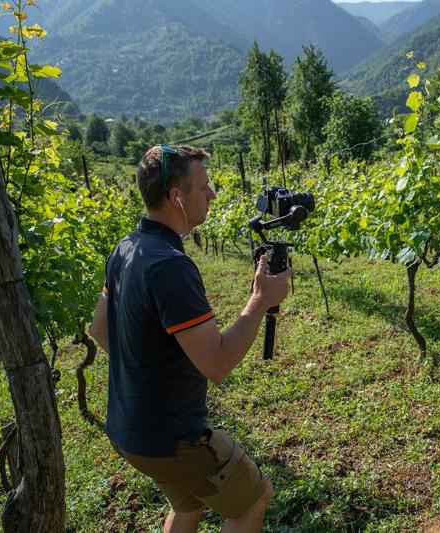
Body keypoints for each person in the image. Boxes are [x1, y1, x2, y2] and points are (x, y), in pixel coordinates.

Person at [89, 144, 291, 533]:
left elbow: (100, 330)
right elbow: (217, 364)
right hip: (172, 438)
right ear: (176, 198)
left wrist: (151, 373)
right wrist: (260, 300)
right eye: (204, 187)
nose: (213, 194)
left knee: (189, 504)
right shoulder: (170, 266)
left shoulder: (126, 249)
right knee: (253, 499)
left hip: (127, 429)